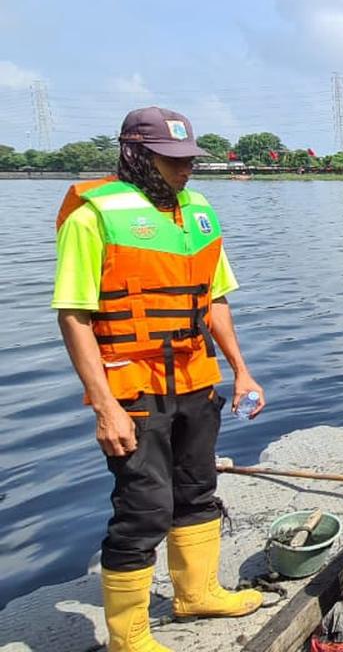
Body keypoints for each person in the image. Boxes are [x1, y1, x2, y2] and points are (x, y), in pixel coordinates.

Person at [53, 107, 265, 651]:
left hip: (195, 378)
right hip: (132, 386)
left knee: (197, 491)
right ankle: (130, 638)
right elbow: (74, 314)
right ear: (134, 153)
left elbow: (214, 300)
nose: (184, 170)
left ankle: (196, 594)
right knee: (144, 505)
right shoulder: (92, 217)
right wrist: (105, 407)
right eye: (171, 161)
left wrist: (241, 371)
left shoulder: (197, 212)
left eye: (188, 159)